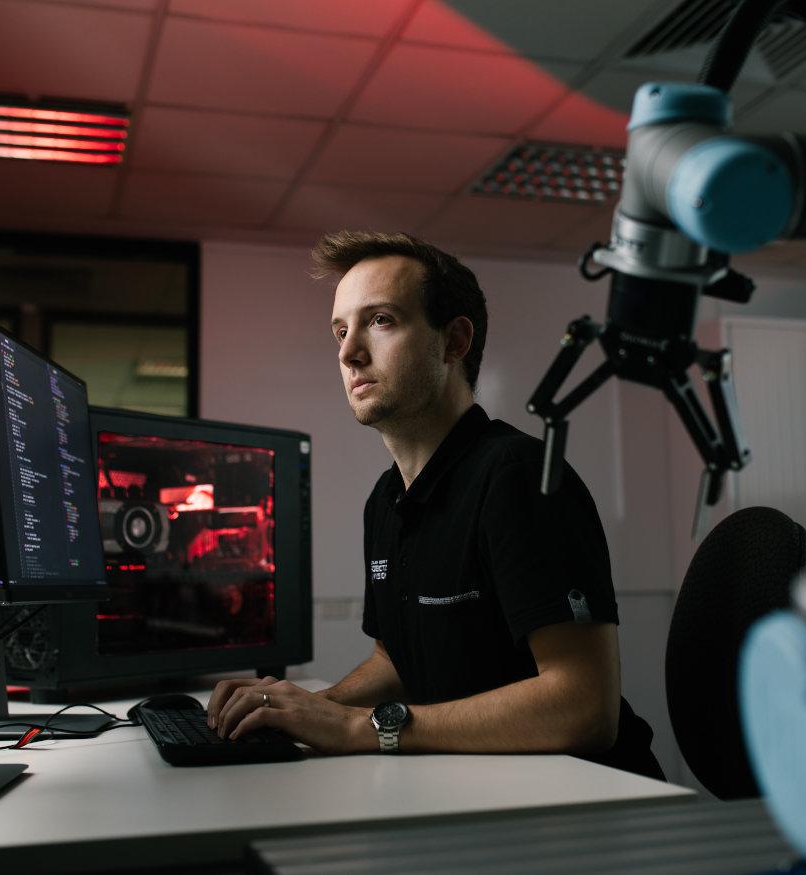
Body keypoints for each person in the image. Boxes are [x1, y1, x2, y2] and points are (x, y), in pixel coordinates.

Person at [206, 231, 663, 779]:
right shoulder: (386, 499)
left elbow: (586, 707)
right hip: (469, 785)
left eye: (380, 321)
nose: (349, 353)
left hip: (585, 803)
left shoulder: (517, 478)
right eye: (340, 330)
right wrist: (314, 707)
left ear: (453, 343)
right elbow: (398, 660)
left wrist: (359, 728)